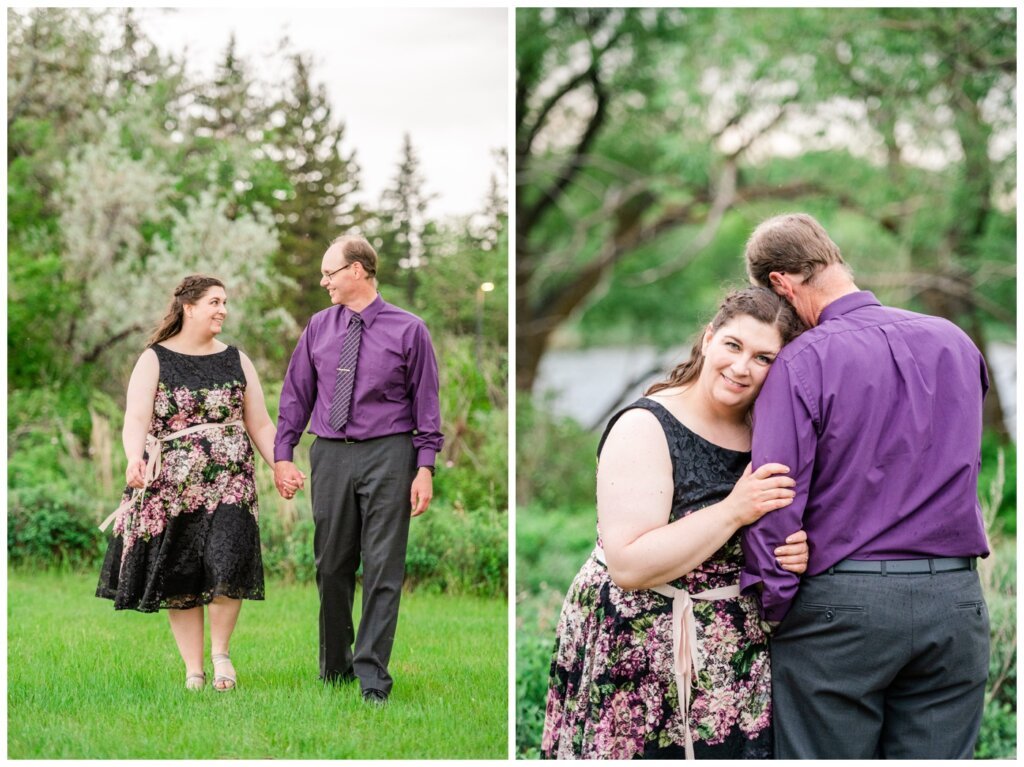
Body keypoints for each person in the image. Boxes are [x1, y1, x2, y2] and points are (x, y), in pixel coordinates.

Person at [739, 213, 991, 759]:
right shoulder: (955, 342)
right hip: (955, 604)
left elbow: (776, 498)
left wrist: (777, 606)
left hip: (841, 610)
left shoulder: (803, 360)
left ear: (781, 282)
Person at [541, 287, 810, 760]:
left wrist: (795, 552)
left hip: (732, 659)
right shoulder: (646, 425)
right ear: (708, 339)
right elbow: (628, 563)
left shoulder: (767, 432)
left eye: (764, 357)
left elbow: (763, 534)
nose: (742, 367)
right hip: (639, 645)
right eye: (733, 345)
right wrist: (734, 509)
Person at [273, 234, 442, 706]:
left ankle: (372, 679)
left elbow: (426, 405)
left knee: (384, 567)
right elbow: (295, 396)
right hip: (329, 454)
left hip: (390, 455)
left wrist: (424, 467)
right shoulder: (318, 327)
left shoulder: (410, 330)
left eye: (329, 272)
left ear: (357, 270)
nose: (322, 280)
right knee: (331, 565)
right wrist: (283, 454)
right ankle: (334, 668)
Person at [97, 275, 278, 692]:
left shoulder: (237, 359)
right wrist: (133, 457)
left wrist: (281, 465)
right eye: (215, 302)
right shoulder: (155, 358)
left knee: (228, 560)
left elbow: (262, 423)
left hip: (232, 482)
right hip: (173, 486)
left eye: (225, 302)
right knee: (181, 574)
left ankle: (221, 656)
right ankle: (193, 670)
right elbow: (136, 420)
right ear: (189, 307)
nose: (223, 310)